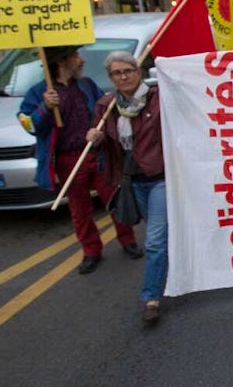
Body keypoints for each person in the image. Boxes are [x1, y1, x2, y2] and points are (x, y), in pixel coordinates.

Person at [18, 46, 141, 275]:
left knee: (115, 199)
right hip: (67, 159)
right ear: (62, 62)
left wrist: (100, 132)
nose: (81, 60)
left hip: (97, 154)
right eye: (76, 56)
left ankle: (128, 240)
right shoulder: (38, 93)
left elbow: (105, 112)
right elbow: (30, 125)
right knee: (79, 209)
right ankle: (91, 250)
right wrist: (45, 107)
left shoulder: (86, 85)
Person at [86, 52, 168, 324]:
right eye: (116, 73)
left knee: (154, 240)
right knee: (161, 235)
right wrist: (95, 139)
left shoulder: (160, 98)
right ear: (110, 78)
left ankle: (151, 298)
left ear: (138, 70)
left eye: (128, 71)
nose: (123, 77)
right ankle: (173, 270)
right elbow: (104, 146)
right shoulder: (105, 106)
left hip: (160, 177)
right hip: (132, 181)